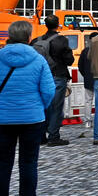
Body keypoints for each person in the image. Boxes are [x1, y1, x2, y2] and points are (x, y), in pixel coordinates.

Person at [0, 21, 55, 196]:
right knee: (28, 162)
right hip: (31, 117)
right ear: (28, 37)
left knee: (1, 163)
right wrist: (38, 105)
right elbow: (48, 90)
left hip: (1, 118)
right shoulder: (38, 59)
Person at [31, 15, 74, 146]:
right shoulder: (61, 40)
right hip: (57, 75)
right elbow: (69, 60)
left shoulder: (35, 41)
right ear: (58, 24)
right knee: (56, 106)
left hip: (40, 76)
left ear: (45, 24)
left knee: (43, 106)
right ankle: (54, 136)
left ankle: (41, 135)